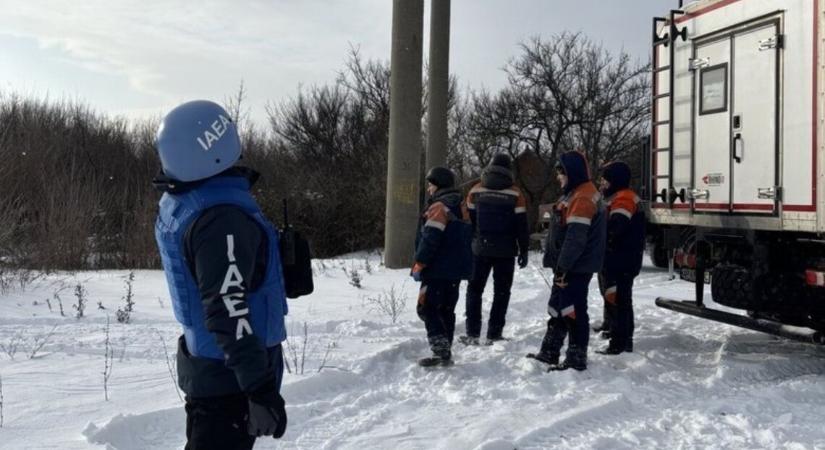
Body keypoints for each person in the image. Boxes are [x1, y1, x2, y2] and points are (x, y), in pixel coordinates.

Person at [153, 100, 287, 449]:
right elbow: (228, 307)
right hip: (231, 378)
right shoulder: (220, 219)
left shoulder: (188, 201)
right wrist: (259, 389)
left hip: (215, 367)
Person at [527, 150, 606, 371]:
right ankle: (550, 351)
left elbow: (575, 238)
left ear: (570, 172)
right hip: (569, 265)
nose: (557, 177)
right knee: (558, 307)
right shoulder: (574, 194)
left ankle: (576, 357)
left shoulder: (582, 197)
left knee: (572, 310)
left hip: (575, 266)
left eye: (560, 173)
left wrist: (563, 267)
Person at [460, 154, 530, 345]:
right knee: (502, 292)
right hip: (506, 251)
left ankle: (472, 333)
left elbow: (469, 221)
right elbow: (521, 225)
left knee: (474, 290)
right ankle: (494, 333)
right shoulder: (516, 193)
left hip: (480, 249)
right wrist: (523, 249)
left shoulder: (475, 190)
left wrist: (471, 243)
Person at [412, 167, 472, 367]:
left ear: (438, 185)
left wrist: (420, 263)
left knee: (427, 307)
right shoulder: (461, 205)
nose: (429, 189)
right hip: (456, 269)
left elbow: (430, 238)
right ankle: (446, 348)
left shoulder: (438, 207)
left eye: (431, 185)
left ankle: (440, 349)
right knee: (447, 308)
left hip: (437, 268)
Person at [596, 161, 645, 354]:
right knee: (615, 298)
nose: (602, 184)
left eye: (605, 181)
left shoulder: (624, 198)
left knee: (619, 300)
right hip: (618, 258)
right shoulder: (615, 197)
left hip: (622, 259)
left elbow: (616, 227)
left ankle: (621, 343)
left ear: (615, 180)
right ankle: (616, 333)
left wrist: (598, 236)